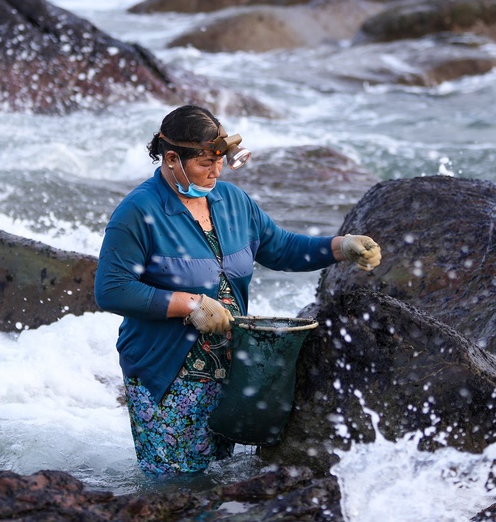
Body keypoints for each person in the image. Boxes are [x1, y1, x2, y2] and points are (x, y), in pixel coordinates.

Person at [94, 105, 381, 476]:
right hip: (165, 372)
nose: (215, 172)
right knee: (176, 486)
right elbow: (112, 290)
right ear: (171, 159)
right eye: (203, 163)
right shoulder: (138, 211)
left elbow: (280, 247)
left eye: (220, 161)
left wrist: (341, 247)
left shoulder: (232, 202)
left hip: (230, 368)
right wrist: (189, 304)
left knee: (221, 480)